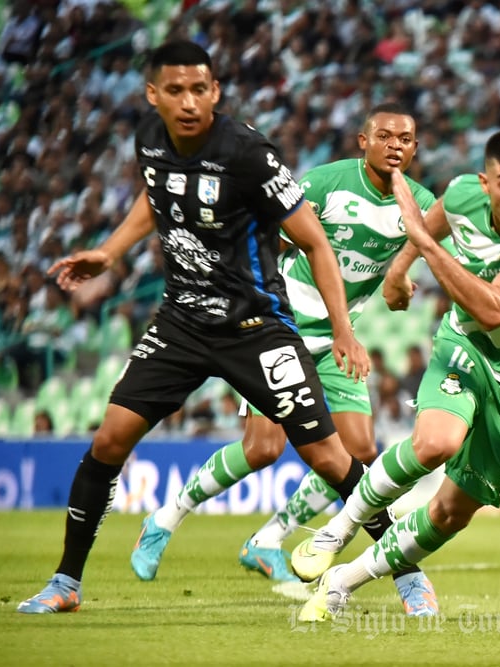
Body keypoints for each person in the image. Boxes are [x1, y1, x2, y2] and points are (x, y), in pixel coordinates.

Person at [17, 40, 372, 614]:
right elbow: (156, 194)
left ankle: (405, 574)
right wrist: (110, 253)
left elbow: (314, 239)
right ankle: (65, 584)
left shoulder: (247, 154)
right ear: (153, 94)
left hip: (256, 329)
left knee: (330, 459)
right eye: (175, 90)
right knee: (108, 441)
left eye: (199, 89)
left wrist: (342, 330)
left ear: (216, 92)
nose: (188, 102)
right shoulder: (149, 139)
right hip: (181, 322)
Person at [129, 103, 442, 616]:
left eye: (405, 139)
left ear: (414, 148)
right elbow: (268, 228)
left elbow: (424, 243)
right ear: (363, 143)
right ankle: (166, 517)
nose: (395, 145)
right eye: (384, 136)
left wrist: (401, 276)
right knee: (262, 449)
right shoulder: (326, 183)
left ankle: (271, 537)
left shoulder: (419, 202)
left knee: (358, 449)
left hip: (341, 341)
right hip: (282, 330)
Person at [290, 128, 500, 622]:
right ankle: (336, 530)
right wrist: (398, 269)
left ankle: (340, 582)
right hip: (466, 346)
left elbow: (498, 309)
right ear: (485, 183)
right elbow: (441, 212)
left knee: (452, 512)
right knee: (436, 443)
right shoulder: (465, 194)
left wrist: (422, 246)